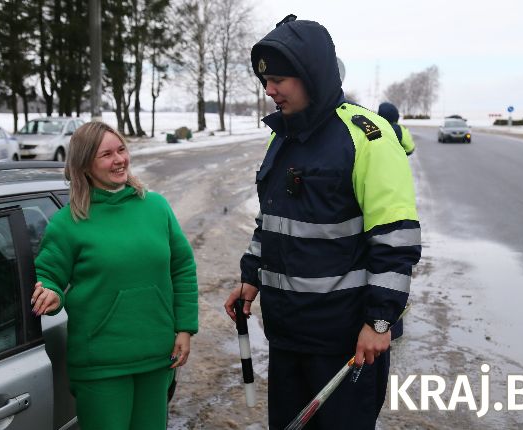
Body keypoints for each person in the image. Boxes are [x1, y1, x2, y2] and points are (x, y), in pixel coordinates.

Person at [224, 15, 421, 430]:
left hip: (345, 342)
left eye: (279, 79)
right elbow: (272, 221)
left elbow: (395, 241)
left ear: (311, 73)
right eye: (265, 81)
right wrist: (250, 277)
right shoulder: (282, 137)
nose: (269, 90)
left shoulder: (368, 137)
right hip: (287, 335)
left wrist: (379, 320)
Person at [31, 121, 198, 430]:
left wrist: (185, 328)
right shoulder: (68, 222)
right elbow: (49, 276)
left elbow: (182, 267)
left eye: (121, 149)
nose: (119, 159)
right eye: (106, 154)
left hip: (156, 356)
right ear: (85, 164)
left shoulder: (156, 207)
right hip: (100, 366)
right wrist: (52, 294)